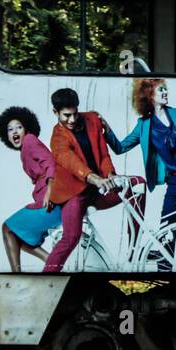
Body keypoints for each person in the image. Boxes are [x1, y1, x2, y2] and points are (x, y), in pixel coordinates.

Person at [106, 78, 176, 271]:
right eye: (160, 90)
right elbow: (120, 147)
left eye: (165, 89)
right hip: (175, 182)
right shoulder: (144, 125)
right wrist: (105, 130)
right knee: (166, 230)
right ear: (149, 96)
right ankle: (164, 273)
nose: (165, 93)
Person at [43, 88, 146, 274]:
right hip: (75, 193)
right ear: (55, 113)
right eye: (66, 116)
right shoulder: (57, 137)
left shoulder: (92, 119)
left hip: (99, 190)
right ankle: (46, 276)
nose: (72, 120)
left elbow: (103, 154)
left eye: (74, 114)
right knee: (71, 237)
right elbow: (71, 162)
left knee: (137, 184)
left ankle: (134, 249)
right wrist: (95, 179)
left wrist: (110, 175)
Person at [0, 106, 61, 272]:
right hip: (50, 200)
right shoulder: (25, 147)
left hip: (52, 201)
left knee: (8, 228)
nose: (15, 132)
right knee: (20, 236)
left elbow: (50, 163)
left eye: (19, 127)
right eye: (10, 129)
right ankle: (51, 261)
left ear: (27, 128)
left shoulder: (30, 141)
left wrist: (49, 189)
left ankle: (16, 274)